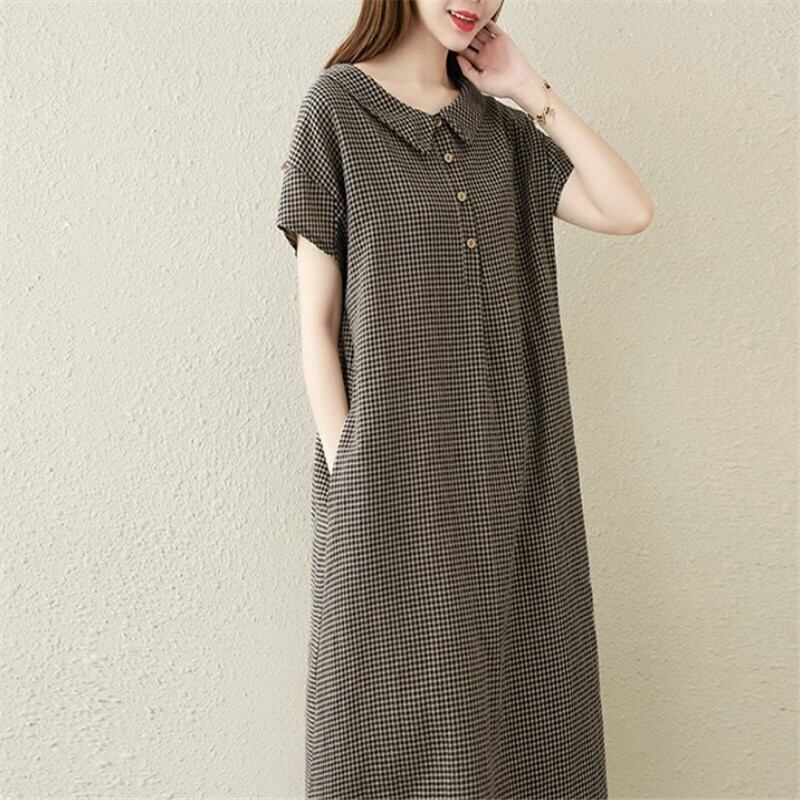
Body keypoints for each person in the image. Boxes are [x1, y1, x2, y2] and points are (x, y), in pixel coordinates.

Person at [276, 1, 654, 797]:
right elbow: (316, 323)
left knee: (527, 718)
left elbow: (629, 211)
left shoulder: (503, 134)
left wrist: (529, 89)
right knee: (390, 728)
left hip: (515, 480)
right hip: (392, 483)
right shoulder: (336, 109)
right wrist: (354, 471)